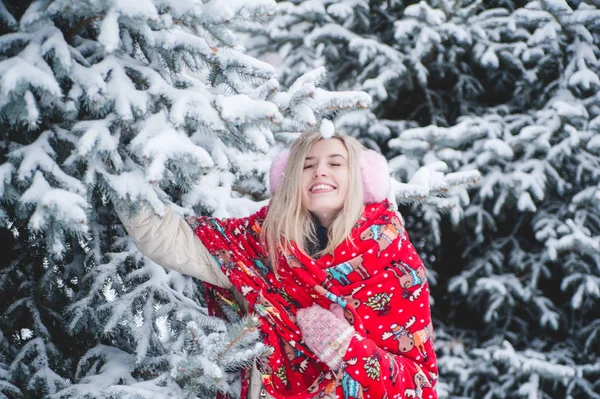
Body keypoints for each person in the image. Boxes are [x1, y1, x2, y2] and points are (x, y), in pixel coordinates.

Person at [118, 131, 438, 399]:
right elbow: (173, 240)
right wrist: (113, 164)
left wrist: (348, 350)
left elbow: (419, 386)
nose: (320, 171)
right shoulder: (263, 243)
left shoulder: (395, 264)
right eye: (306, 165)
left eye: (335, 163)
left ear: (362, 177)